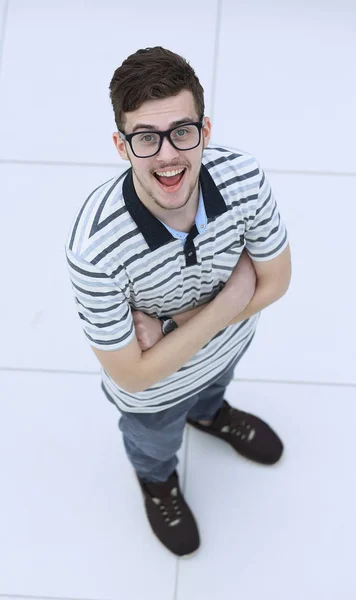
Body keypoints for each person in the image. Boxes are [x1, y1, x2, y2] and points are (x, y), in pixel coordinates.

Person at [65, 46, 291, 558]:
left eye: (181, 132)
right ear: (123, 147)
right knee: (154, 443)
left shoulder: (243, 178)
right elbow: (133, 376)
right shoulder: (94, 252)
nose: (168, 156)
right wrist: (233, 295)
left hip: (228, 348)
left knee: (213, 388)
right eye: (146, 138)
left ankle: (210, 415)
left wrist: (171, 326)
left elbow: (276, 282)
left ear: (205, 132)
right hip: (155, 397)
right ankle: (157, 482)